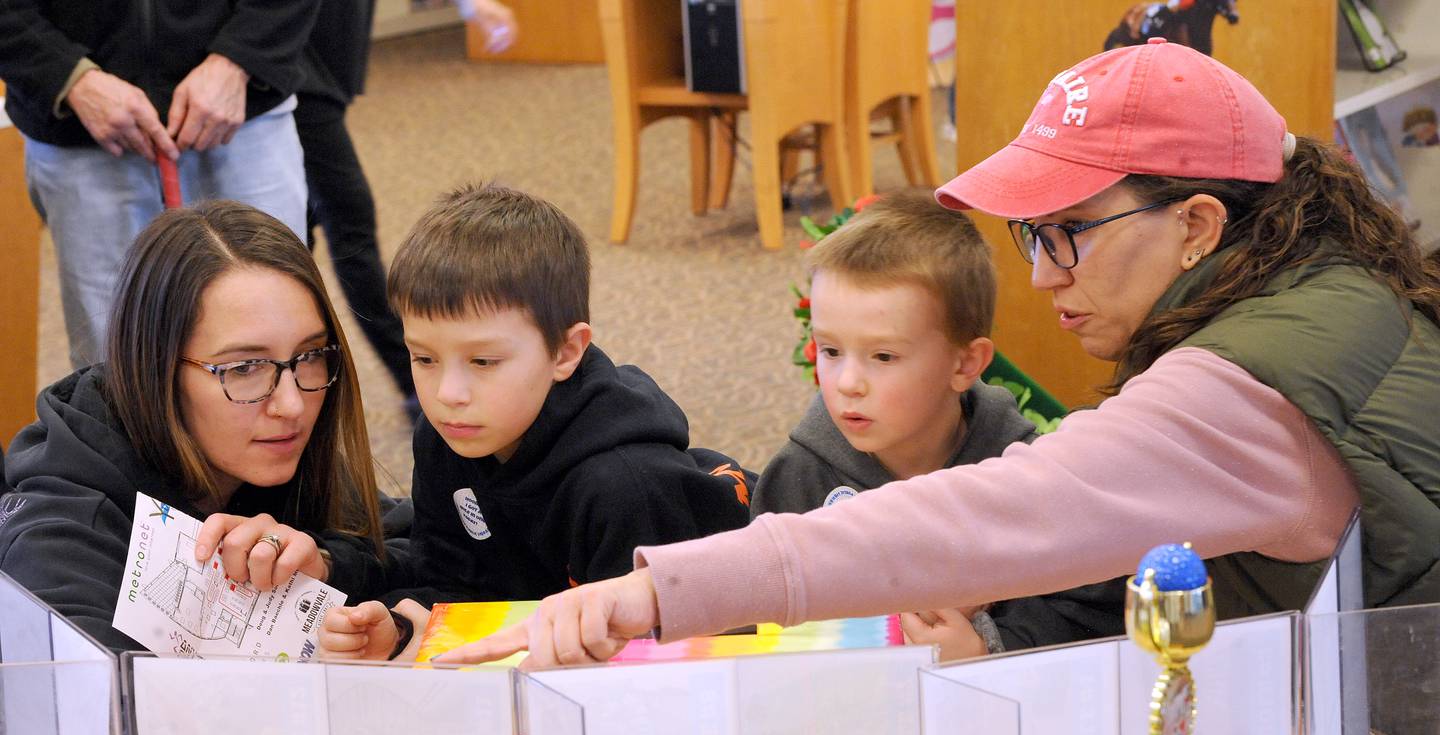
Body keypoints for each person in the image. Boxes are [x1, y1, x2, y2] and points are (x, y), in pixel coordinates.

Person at [447, 38, 1440, 669]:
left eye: (1069, 233)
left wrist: (651, 590)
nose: (1044, 276)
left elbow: (988, 516)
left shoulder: (1245, 387)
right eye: (1031, 236)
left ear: (1197, 224)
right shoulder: (1332, 284)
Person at [317, 184, 755, 661]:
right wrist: (403, 624)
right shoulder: (448, 438)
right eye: (423, 358)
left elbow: (652, 663)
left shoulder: (625, 486)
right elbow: (453, 583)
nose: (447, 394)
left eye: (483, 362)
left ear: (566, 352)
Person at [0, 201, 395, 652]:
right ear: (155, 371)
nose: (292, 404)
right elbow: (104, 710)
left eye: (309, 356)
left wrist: (327, 567)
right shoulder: (63, 534)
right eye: (245, 367)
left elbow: (433, 557)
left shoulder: (256, 450)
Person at [750, 189, 1124, 658]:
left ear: (965, 365)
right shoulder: (796, 478)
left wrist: (988, 648)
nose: (847, 383)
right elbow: (769, 628)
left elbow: (1088, 618)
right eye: (830, 350)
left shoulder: (1027, 481)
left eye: (883, 356)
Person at [0, 0, 315, 368]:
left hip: (241, 115)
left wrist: (240, 58)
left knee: (277, 335)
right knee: (115, 361)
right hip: (83, 135)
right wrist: (69, 76)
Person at [294, 0, 519, 420]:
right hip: (292, 79)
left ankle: (294, 370)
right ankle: (409, 377)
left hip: (316, 71)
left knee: (297, 231)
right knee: (346, 226)